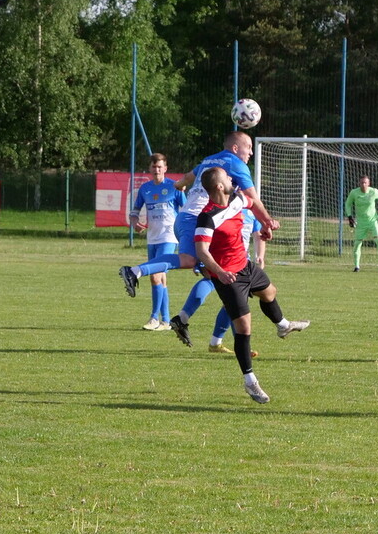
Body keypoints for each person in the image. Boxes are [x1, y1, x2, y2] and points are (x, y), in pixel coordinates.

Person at [116, 131, 280, 346]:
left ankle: (184, 320)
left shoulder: (209, 160)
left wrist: (179, 186)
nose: (250, 152)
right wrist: (267, 222)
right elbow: (253, 199)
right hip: (194, 220)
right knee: (191, 261)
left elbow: (184, 179)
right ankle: (135, 271)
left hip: (186, 218)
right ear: (235, 148)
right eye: (248, 147)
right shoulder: (236, 164)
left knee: (211, 276)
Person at [192, 167, 310, 404]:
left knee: (270, 292)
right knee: (244, 327)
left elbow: (253, 203)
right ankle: (250, 381)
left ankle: (283, 326)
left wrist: (265, 222)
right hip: (228, 277)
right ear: (219, 186)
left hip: (245, 266)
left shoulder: (236, 198)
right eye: (226, 177)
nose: (231, 178)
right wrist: (220, 273)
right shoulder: (207, 216)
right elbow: (202, 251)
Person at [128, 153, 184, 331]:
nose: (157, 170)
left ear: (165, 168)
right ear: (150, 168)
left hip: (169, 237)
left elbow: (187, 208)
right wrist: (135, 222)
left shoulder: (174, 187)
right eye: (154, 167)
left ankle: (154, 318)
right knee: (161, 279)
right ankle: (166, 321)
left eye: (160, 167)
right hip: (152, 238)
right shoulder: (145, 189)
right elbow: (134, 211)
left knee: (155, 276)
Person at [207, 208, 265, 356]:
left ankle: (215, 342)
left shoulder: (251, 213)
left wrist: (260, 256)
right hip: (227, 263)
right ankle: (240, 347)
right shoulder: (225, 210)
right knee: (236, 305)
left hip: (244, 264)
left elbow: (258, 235)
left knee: (233, 305)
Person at [345, 174, 378, 273]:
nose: (363, 184)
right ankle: (357, 267)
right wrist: (350, 217)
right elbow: (348, 204)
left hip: (373, 222)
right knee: (357, 244)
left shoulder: (373, 192)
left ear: (369, 183)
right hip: (361, 223)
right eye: (362, 183)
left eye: (365, 183)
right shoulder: (354, 193)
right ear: (359, 183)